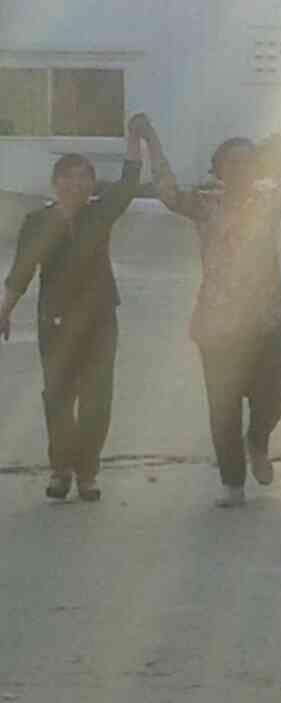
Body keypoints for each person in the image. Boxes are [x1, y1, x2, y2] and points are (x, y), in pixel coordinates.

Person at [140, 109, 281, 507]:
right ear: (218, 170)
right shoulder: (204, 205)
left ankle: (257, 441)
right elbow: (166, 190)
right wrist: (151, 140)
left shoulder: (269, 201)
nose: (240, 169)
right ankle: (232, 483)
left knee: (272, 399)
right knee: (223, 409)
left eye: (247, 162)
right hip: (217, 325)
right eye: (231, 163)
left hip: (266, 320)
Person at [0, 115, 147, 501]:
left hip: (100, 320)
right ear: (56, 182)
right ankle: (61, 470)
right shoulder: (37, 221)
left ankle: (87, 473)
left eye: (84, 177)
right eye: (69, 176)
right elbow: (21, 270)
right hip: (55, 321)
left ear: (92, 184)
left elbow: (129, 183)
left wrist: (134, 139)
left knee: (97, 400)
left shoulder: (100, 212)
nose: (77, 183)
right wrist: (5, 308)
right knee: (58, 397)